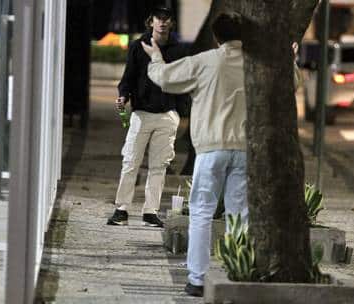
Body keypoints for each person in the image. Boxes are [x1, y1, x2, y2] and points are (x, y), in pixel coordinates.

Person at [142, 12, 248, 297]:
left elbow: (164, 77)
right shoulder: (254, 64)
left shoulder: (206, 61)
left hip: (211, 148)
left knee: (201, 211)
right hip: (244, 149)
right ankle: (237, 272)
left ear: (216, 37)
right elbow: (292, 81)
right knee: (239, 214)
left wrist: (154, 55)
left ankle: (197, 279)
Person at [107, 6, 189, 228]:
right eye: (158, 19)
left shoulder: (178, 50)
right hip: (142, 113)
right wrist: (123, 96)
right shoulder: (138, 46)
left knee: (159, 166)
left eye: (166, 19)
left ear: (171, 23)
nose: (162, 23)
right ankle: (121, 208)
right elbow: (128, 77)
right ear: (151, 21)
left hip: (167, 114)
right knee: (130, 161)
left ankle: (150, 212)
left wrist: (179, 112)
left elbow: (181, 81)